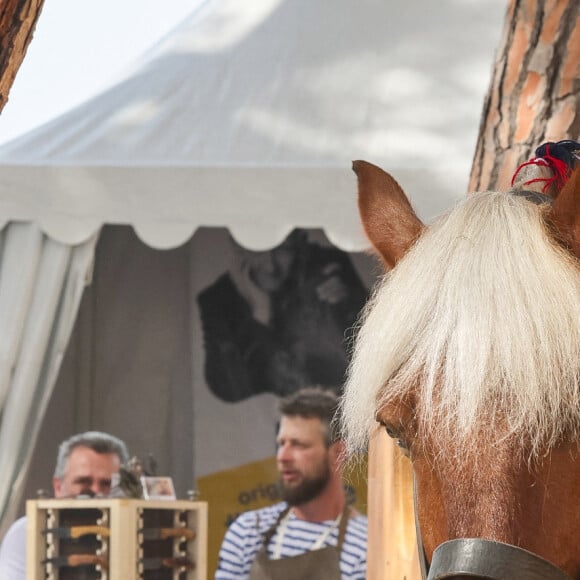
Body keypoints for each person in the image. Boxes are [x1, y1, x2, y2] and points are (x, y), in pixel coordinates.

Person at [198, 230, 369, 402]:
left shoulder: (328, 268)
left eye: (282, 250)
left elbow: (365, 365)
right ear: (238, 248)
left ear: (299, 243)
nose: (271, 267)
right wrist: (261, 314)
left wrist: (349, 304)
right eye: (257, 251)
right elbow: (230, 391)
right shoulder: (217, 300)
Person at [215, 388, 367, 579]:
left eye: (299, 445)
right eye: (281, 444)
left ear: (338, 453)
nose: (283, 457)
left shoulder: (365, 546)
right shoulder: (248, 532)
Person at [0, 431, 129, 580]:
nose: (96, 491)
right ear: (58, 487)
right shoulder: (28, 532)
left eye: (107, 484)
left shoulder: (132, 530)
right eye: (83, 481)